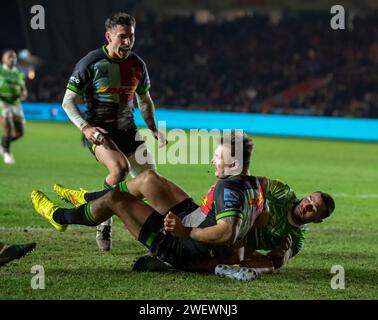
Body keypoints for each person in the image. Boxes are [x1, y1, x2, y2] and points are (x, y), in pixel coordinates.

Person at [32, 133, 274, 274]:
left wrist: (186, 231)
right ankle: (87, 198)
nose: (213, 159)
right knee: (149, 178)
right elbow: (262, 222)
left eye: (219, 157)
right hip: (194, 218)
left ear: (233, 165)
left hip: (180, 242)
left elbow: (226, 233)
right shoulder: (257, 185)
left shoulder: (227, 187)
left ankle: (60, 216)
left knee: (116, 199)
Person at [61, 12, 166, 251]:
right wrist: (86, 128)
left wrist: (152, 127)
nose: (127, 42)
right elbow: (68, 101)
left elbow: (145, 99)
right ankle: (104, 221)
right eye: (122, 37)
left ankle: (104, 203)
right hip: (100, 132)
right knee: (120, 169)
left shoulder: (137, 65)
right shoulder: (90, 63)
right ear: (108, 37)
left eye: (131, 37)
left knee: (152, 182)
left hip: (128, 131)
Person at [215, 179, 335, 280]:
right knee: (235, 256)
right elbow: (255, 182)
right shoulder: (283, 192)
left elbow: (280, 262)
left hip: (241, 246)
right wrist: (260, 207)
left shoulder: (297, 239)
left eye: (313, 209)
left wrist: (281, 252)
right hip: (232, 222)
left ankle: (241, 270)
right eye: (309, 199)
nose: (306, 206)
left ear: (317, 220)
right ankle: (229, 264)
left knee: (270, 265)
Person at [0, 49, 27, 164]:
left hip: (16, 103)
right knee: (8, 126)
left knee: (19, 133)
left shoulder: (19, 74)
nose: (13, 59)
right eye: (10, 57)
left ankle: (3, 144)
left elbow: (23, 89)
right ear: (3, 59)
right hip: (2, 101)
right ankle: (6, 153)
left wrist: (24, 93)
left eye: (14, 57)